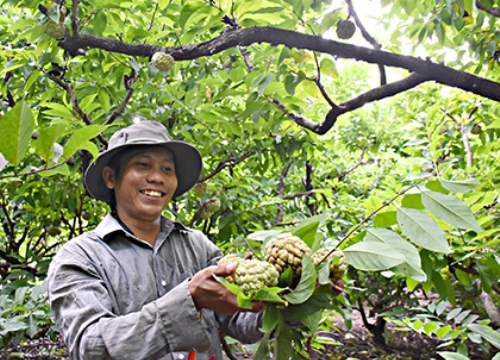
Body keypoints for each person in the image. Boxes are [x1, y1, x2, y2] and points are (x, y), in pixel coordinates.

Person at [47, 120, 265, 360]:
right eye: (142, 165)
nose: (157, 178)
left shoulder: (197, 246)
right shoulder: (80, 257)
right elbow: (90, 347)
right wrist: (188, 300)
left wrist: (289, 292)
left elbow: (241, 321)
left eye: (167, 170)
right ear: (111, 177)